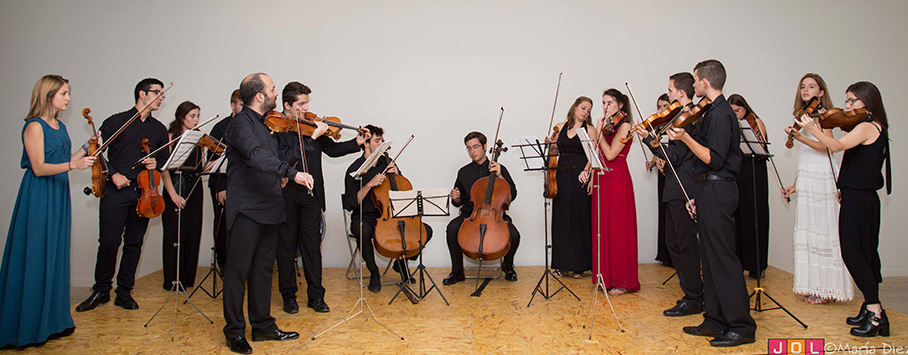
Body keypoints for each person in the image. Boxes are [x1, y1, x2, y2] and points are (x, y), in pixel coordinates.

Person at [0, 75, 96, 348]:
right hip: (38, 195)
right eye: (64, 93)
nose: (68, 98)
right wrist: (73, 167)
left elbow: (66, 160)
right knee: (36, 254)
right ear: (48, 95)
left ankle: (53, 322)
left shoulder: (60, 126)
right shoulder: (34, 126)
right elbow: (40, 167)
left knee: (54, 254)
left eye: (68, 93)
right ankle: (27, 326)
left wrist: (86, 149)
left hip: (58, 194)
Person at [668, 60, 756, 347]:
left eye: (695, 80)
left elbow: (714, 158)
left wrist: (684, 138)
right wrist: (697, 195)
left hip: (720, 189)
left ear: (705, 82)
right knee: (710, 258)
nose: (693, 86)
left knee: (724, 260)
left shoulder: (720, 114)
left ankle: (741, 326)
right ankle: (716, 320)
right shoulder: (710, 112)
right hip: (708, 189)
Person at [793, 81, 890, 337]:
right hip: (856, 196)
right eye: (847, 101)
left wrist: (814, 128)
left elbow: (835, 147)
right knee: (866, 254)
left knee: (854, 254)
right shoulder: (866, 125)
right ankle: (872, 309)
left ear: (867, 102)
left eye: (851, 101)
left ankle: (875, 312)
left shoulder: (868, 126)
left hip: (860, 200)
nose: (846, 106)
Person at [222, 73, 310, 353]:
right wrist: (291, 173)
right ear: (259, 96)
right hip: (247, 208)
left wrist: (287, 170)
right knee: (238, 272)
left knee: (262, 270)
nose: (275, 93)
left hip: (271, 207)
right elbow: (255, 156)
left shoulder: (265, 125)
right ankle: (235, 331)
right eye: (272, 89)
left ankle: (262, 325)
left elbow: (272, 160)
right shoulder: (239, 125)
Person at [76, 78, 170, 312]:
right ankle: (100, 290)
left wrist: (155, 163)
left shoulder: (159, 129)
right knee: (108, 242)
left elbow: (165, 159)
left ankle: (124, 291)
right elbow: (96, 152)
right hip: (116, 192)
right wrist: (113, 174)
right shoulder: (117, 121)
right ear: (142, 93)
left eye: (162, 94)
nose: (160, 98)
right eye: (156, 93)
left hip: (144, 194)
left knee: (134, 244)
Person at [274, 81, 366, 314]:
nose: (305, 108)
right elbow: (284, 160)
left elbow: (333, 150)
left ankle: (316, 296)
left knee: (312, 247)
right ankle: (289, 296)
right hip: (286, 195)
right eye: (301, 104)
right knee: (286, 248)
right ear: (287, 105)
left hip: (311, 195)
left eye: (307, 103)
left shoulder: (309, 125)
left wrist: (357, 142)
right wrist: (311, 137)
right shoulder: (277, 130)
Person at [636, 72, 703, 317]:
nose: (669, 94)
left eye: (671, 91)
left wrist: (649, 140)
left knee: (685, 244)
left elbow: (675, 156)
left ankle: (694, 297)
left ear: (681, 93)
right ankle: (693, 292)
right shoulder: (680, 118)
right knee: (674, 243)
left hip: (684, 188)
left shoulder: (691, 119)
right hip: (673, 188)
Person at [782, 74, 852, 304]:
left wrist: (800, 137)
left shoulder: (822, 115)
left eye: (811, 86)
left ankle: (828, 289)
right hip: (809, 177)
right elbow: (805, 157)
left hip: (823, 175)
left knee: (823, 228)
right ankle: (814, 286)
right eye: (803, 86)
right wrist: (795, 185)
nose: (806, 90)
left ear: (821, 92)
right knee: (809, 229)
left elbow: (826, 148)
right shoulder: (804, 115)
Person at [343, 125, 433, 293]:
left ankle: (402, 263)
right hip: (367, 216)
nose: (382, 144)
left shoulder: (389, 164)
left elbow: (403, 189)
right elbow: (349, 203)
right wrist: (369, 185)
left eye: (382, 140)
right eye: (377, 141)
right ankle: (374, 271)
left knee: (425, 231)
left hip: (393, 215)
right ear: (366, 144)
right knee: (361, 230)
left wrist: (397, 173)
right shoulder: (355, 169)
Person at [443, 131, 521, 285]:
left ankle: (508, 266)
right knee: (452, 228)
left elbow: (512, 194)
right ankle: (457, 272)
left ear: (485, 147)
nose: (472, 151)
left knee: (514, 235)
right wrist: (456, 198)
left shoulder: (497, 168)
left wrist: (500, 176)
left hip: (496, 216)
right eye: (469, 148)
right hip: (471, 215)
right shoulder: (463, 172)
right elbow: (460, 201)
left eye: (476, 147)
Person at [591, 88, 639, 294]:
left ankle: (623, 281)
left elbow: (610, 154)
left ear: (620, 105)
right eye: (603, 103)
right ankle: (605, 276)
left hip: (617, 177)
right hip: (602, 177)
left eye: (609, 103)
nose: (605, 107)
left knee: (618, 229)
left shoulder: (625, 125)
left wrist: (599, 132)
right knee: (603, 228)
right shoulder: (610, 125)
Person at [160, 101, 206, 291]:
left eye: (197, 116)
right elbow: (164, 170)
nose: (196, 120)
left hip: (195, 188)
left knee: (192, 232)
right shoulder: (170, 137)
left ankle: (187, 279)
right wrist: (173, 194)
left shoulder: (199, 138)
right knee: (174, 234)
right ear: (182, 117)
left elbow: (201, 167)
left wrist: (223, 158)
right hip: (176, 186)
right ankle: (172, 279)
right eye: (192, 116)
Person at [549, 97, 594, 279]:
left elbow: (593, 154)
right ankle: (560, 264)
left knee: (579, 218)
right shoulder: (560, 126)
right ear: (575, 107)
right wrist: (551, 144)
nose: (585, 112)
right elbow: (556, 151)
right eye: (583, 108)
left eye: (589, 110)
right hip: (561, 174)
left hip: (580, 175)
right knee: (561, 219)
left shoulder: (590, 129)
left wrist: (587, 174)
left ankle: (579, 266)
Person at [728, 94, 770, 280]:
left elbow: (761, 147)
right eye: (732, 111)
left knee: (755, 215)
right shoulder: (731, 125)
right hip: (739, 171)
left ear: (745, 108)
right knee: (739, 216)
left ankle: (756, 264)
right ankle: (740, 261)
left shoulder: (755, 121)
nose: (735, 114)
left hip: (755, 170)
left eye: (737, 110)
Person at [207, 89, 243, 270]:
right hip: (225, 185)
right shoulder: (221, 128)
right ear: (233, 106)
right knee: (224, 227)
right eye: (241, 105)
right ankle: (225, 265)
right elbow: (213, 161)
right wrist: (221, 187)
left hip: (244, 186)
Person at [653, 93, 672, 267]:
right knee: (664, 210)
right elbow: (658, 150)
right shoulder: (659, 128)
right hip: (663, 172)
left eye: (665, 106)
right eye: (659, 107)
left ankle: (675, 255)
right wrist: (654, 160)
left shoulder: (675, 125)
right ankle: (665, 253)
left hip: (675, 172)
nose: (662, 110)